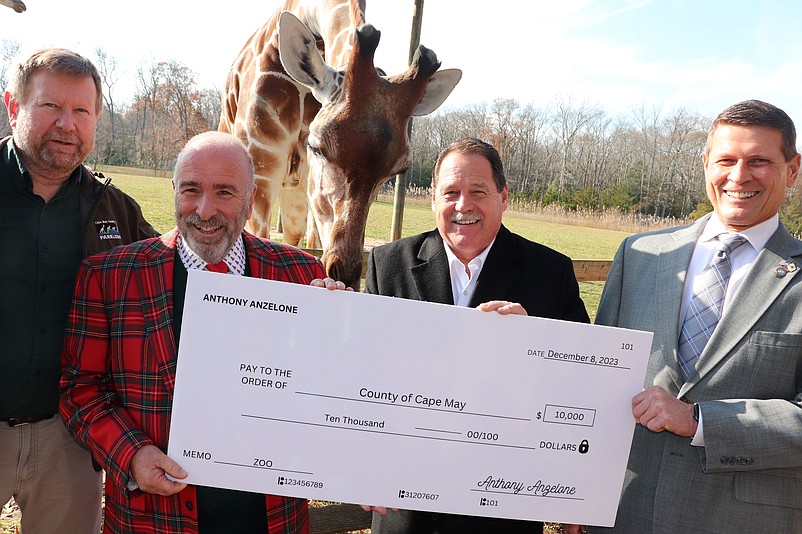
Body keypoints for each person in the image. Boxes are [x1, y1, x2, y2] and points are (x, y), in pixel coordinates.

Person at [59, 131, 324, 533]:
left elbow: (326, 389)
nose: (205, 209)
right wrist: (132, 455)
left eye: (224, 192)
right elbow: (81, 391)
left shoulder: (301, 276)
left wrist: (341, 328)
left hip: (269, 518)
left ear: (251, 198)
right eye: (191, 190)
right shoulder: (110, 276)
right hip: (152, 518)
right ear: (173, 191)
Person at [589, 99, 802, 532]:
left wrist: (699, 421)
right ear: (706, 164)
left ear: (793, 170)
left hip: (742, 520)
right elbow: (596, 379)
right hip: (624, 511)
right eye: (726, 160)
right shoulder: (640, 254)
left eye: (759, 161)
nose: (739, 176)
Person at [364, 137, 590, 533]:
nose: (463, 205)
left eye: (478, 192)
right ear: (433, 199)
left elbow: (581, 387)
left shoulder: (550, 273)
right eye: (450, 192)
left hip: (502, 507)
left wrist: (535, 346)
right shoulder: (389, 265)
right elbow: (363, 377)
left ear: (503, 196)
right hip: (407, 507)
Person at [0, 47, 157, 533]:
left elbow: (182, 272)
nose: (67, 124)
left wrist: (300, 295)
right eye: (50, 107)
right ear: (13, 105)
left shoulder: (117, 211)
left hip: (68, 441)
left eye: (82, 111)